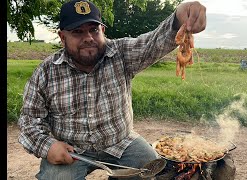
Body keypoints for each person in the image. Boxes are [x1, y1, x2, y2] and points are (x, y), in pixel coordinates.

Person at [17, 0, 206, 179]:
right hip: (72, 150)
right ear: (62, 36)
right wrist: (47, 146)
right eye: (77, 32)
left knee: (148, 165)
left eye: (93, 30)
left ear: (103, 30)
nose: (88, 38)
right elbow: (29, 120)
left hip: (121, 142)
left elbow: (153, 42)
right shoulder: (46, 72)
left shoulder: (121, 54)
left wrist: (178, 17)